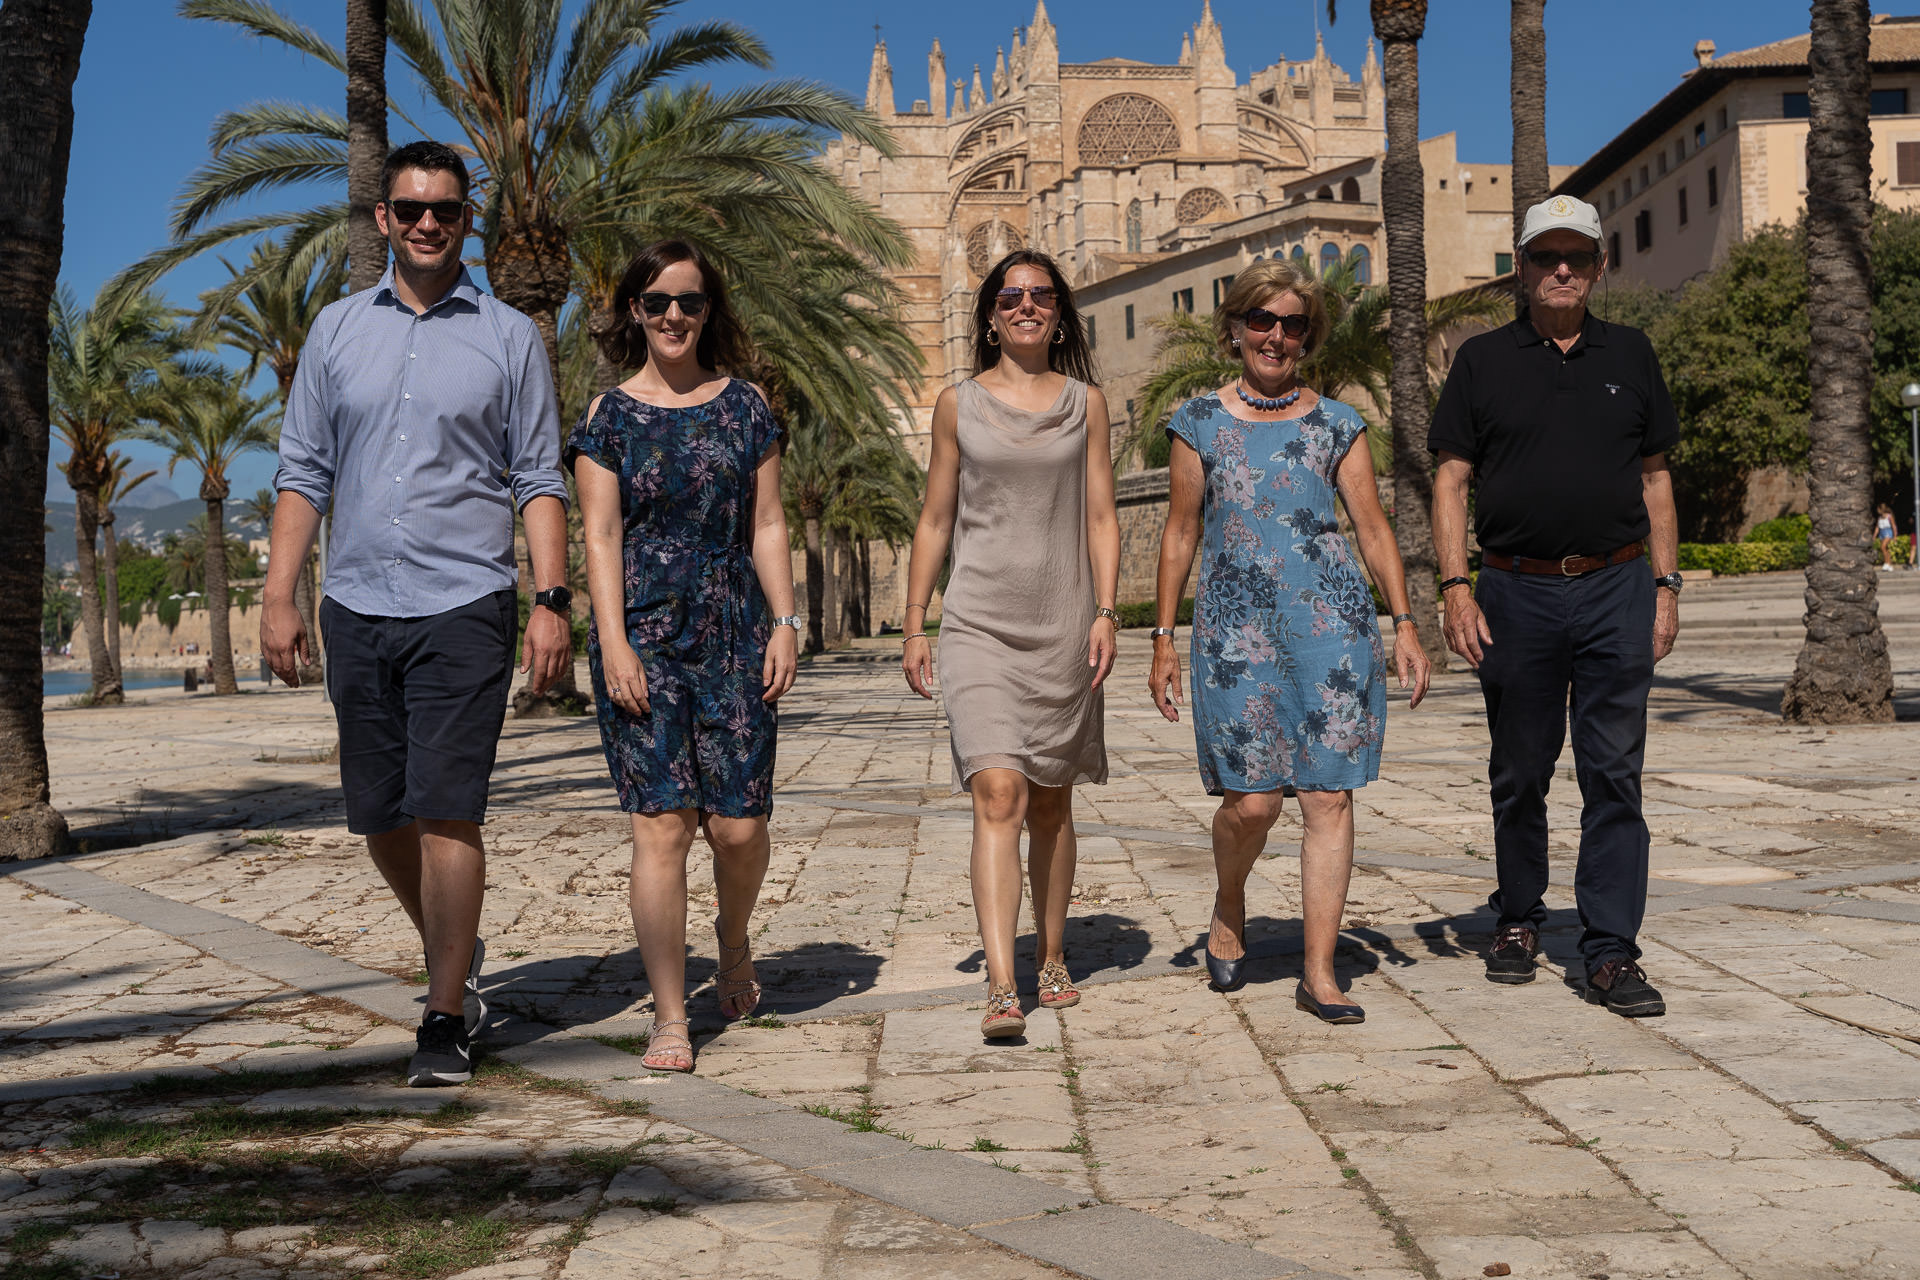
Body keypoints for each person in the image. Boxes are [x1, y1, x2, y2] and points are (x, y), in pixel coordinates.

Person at [264, 141, 572, 1087]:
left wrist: (552, 601)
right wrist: (280, 592)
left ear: (466, 218)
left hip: (465, 600)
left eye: (444, 207)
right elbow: (303, 470)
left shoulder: (509, 336)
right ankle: (459, 947)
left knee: (447, 807)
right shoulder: (334, 332)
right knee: (378, 813)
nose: (427, 222)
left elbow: (537, 477)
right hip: (356, 599)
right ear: (384, 221)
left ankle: (443, 1012)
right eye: (410, 209)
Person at [1148, 258, 1430, 1024]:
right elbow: (1179, 532)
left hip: (1330, 629)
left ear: (1309, 336)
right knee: (1252, 803)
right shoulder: (1197, 422)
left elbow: (1372, 527)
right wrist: (1163, 636)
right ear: (1235, 328)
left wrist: (1403, 622)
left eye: (1292, 324)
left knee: (1327, 796)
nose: (1276, 336)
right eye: (1262, 321)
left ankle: (1319, 973)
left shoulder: (1338, 424)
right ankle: (1229, 903)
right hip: (1234, 633)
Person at [1428, 194, 1680, 1018]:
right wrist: (1455, 585)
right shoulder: (1482, 361)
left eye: (1576, 256)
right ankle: (1517, 921)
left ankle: (1610, 952)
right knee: (1520, 771)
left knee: (1615, 776)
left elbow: (1655, 480)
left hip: (1617, 587)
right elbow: (1452, 480)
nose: (1561, 269)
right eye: (1545, 257)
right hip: (1514, 590)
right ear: (1522, 269)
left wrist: (1667, 588)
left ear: (1600, 266)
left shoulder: (1633, 353)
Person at [567, 240, 799, 1074]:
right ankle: (671, 1015)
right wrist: (615, 640)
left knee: (738, 827)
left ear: (710, 312)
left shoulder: (747, 409)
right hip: (644, 639)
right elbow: (598, 534)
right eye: (656, 301)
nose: (672, 315)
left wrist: (786, 621)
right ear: (634, 310)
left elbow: (768, 523)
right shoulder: (607, 418)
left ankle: (731, 942)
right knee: (661, 825)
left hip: (736, 630)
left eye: (689, 302)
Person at [901, 249, 1119, 1040]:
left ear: (1059, 312)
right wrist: (915, 617)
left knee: (1053, 803)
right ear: (989, 312)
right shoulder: (957, 404)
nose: (1026, 306)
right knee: (1000, 791)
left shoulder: (1088, 404)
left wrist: (1105, 610)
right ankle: (1001, 982)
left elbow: (1101, 515)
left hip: (1064, 621)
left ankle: (1053, 953)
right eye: (1011, 295)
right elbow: (934, 517)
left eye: (1041, 295)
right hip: (980, 623)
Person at [1875, 504, 1897, 571]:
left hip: (1888, 532)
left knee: (1883, 547)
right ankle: (1889, 564)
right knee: (1886, 549)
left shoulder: (1889, 516)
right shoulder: (1879, 518)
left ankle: (1886, 563)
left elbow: (1893, 526)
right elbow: (1877, 527)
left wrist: (1895, 536)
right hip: (1882, 533)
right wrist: (1874, 536)